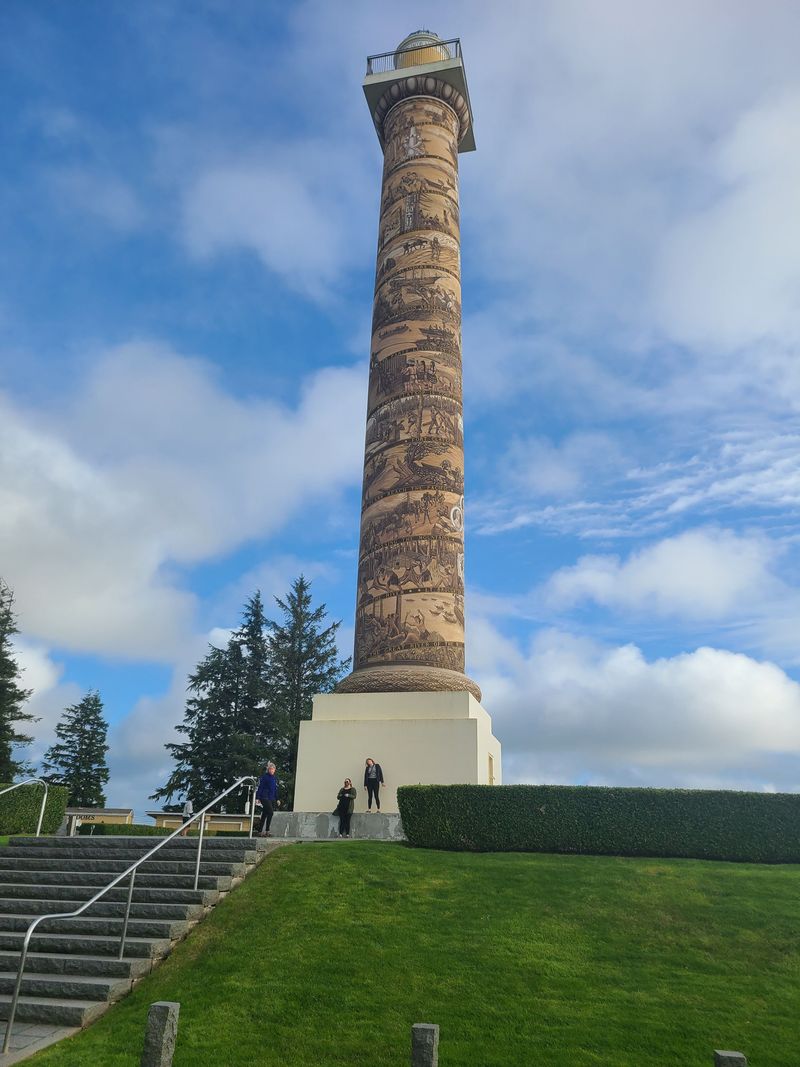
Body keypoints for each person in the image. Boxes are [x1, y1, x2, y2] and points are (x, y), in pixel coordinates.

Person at [255, 763, 279, 836]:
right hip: (264, 797)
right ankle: (267, 831)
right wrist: (257, 798)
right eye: (270, 769)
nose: (271, 770)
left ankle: (259, 831)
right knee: (271, 812)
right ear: (268, 770)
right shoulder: (265, 777)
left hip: (272, 798)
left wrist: (277, 799)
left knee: (265, 814)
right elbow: (260, 787)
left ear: (274, 770)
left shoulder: (274, 778)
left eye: (273, 769)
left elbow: (275, 789)